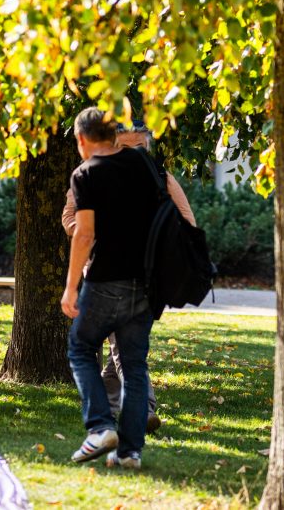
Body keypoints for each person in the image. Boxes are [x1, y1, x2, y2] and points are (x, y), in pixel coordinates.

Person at [62, 120, 197, 434]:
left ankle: (137, 412)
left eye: (140, 148)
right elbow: (71, 218)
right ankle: (117, 413)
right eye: (126, 147)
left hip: (146, 277)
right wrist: (93, 231)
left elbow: (187, 222)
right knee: (121, 347)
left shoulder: (159, 178)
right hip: (104, 273)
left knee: (122, 348)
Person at [61, 108, 161, 470]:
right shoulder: (143, 165)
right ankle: (130, 452)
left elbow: (84, 234)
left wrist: (71, 288)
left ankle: (101, 427)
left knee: (81, 347)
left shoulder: (86, 174)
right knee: (134, 366)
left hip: (105, 279)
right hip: (146, 282)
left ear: (83, 140)